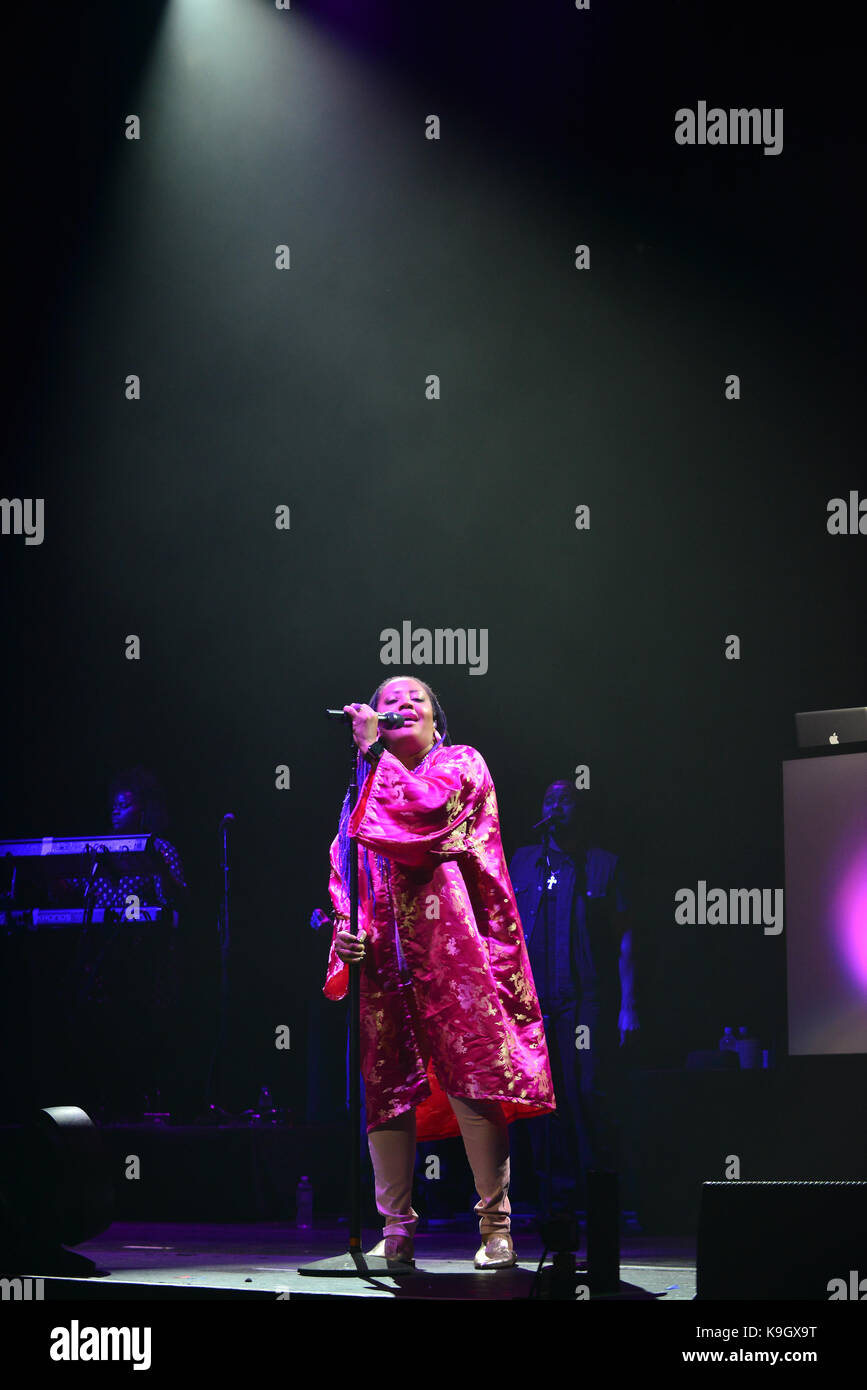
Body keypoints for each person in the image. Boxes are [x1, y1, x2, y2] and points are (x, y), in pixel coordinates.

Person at [323, 675, 555, 1269]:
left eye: (413, 700)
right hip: (385, 960)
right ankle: (396, 1232)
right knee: (387, 1090)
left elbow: (423, 818)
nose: (399, 708)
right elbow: (345, 874)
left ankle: (496, 1225)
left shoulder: (459, 765)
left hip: (455, 950)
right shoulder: (360, 791)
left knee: (472, 1078)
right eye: (387, 703)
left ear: (436, 720)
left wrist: (375, 752)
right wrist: (345, 932)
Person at [509, 780, 638, 1216]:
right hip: (535, 1003)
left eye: (565, 799)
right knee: (544, 1098)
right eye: (549, 799)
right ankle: (556, 1198)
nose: (556, 805)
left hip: (584, 1000)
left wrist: (629, 1005)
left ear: (580, 810)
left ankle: (602, 1193)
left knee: (587, 1090)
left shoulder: (602, 864)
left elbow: (625, 937)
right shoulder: (524, 861)